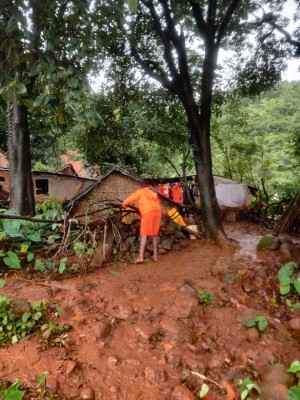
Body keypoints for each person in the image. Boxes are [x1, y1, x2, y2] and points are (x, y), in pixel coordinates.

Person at [122, 186, 162, 263]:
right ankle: (155, 256)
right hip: (157, 212)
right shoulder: (153, 192)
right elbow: (157, 202)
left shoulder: (141, 191)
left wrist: (124, 203)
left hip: (148, 212)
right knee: (154, 235)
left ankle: (140, 257)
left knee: (144, 234)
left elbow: (132, 197)